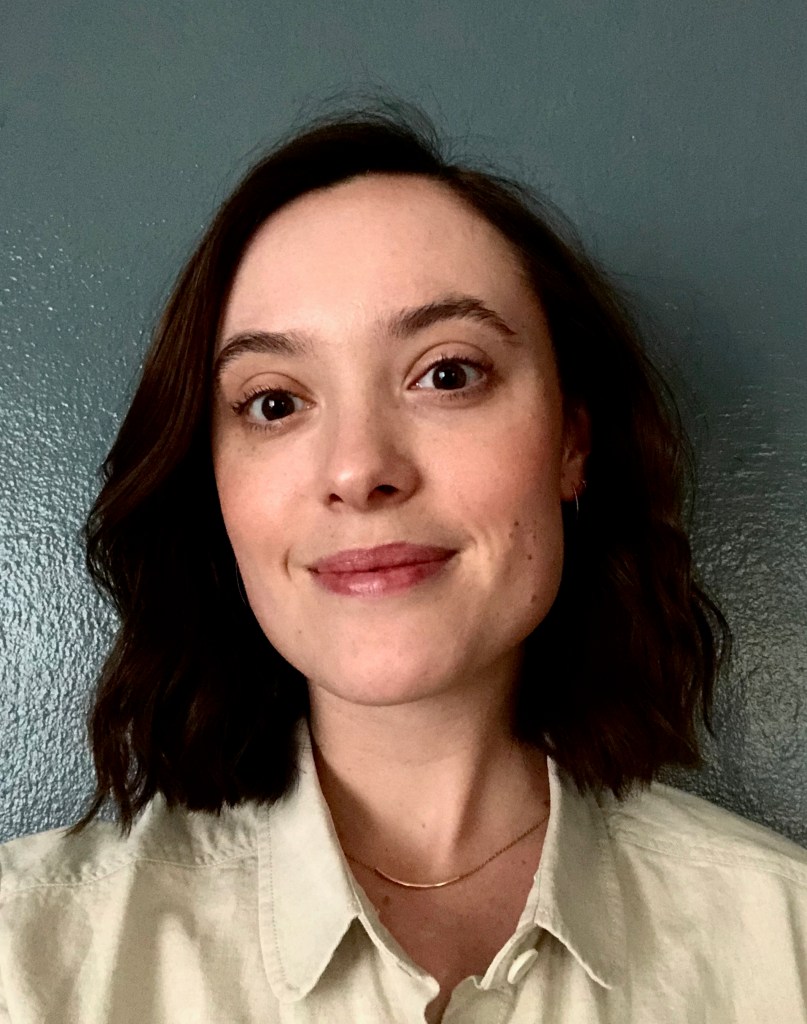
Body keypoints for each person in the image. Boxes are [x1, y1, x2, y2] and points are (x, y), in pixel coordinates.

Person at [0, 99, 805, 1024]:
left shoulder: (784, 948)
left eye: (447, 373)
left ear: (570, 445)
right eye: (273, 403)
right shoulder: (28, 962)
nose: (358, 469)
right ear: (210, 484)